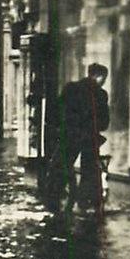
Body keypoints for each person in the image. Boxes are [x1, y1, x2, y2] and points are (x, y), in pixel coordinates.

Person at [42, 63, 110, 213]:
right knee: (90, 169)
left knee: (61, 165)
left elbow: (56, 110)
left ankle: (53, 197)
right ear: (98, 76)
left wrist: (61, 127)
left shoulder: (71, 88)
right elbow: (104, 122)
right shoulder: (101, 95)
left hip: (69, 134)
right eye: (103, 78)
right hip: (89, 137)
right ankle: (85, 201)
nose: (104, 82)